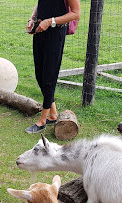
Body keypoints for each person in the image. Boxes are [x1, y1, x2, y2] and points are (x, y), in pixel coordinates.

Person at [24, 0, 80, 133]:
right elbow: (41, 4)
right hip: (40, 30)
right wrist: (32, 18)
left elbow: (75, 13)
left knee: (49, 76)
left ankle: (42, 120)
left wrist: (50, 21)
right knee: (40, 75)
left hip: (55, 34)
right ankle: (53, 114)